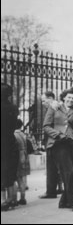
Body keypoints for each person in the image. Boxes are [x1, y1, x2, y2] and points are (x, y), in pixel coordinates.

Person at [43, 88, 73, 212]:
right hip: (58, 144)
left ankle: (64, 201)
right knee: (69, 172)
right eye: (69, 97)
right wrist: (59, 135)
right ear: (64, 97)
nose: (71, 100)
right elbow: (46, 126)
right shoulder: (54, 108)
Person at [1, 83, 19, 212]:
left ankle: (3, 201)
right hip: (10, 141)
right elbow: (16, 124)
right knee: (10, 171)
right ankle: (12, 199)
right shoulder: (13, 108)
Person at [14, 119, 31, 206]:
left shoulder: (14, 135)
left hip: (19, 156)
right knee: (23, 177)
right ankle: (23, 197)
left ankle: (17, 198)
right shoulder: (23, 134)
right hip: (25, 155)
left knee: (17, 178)